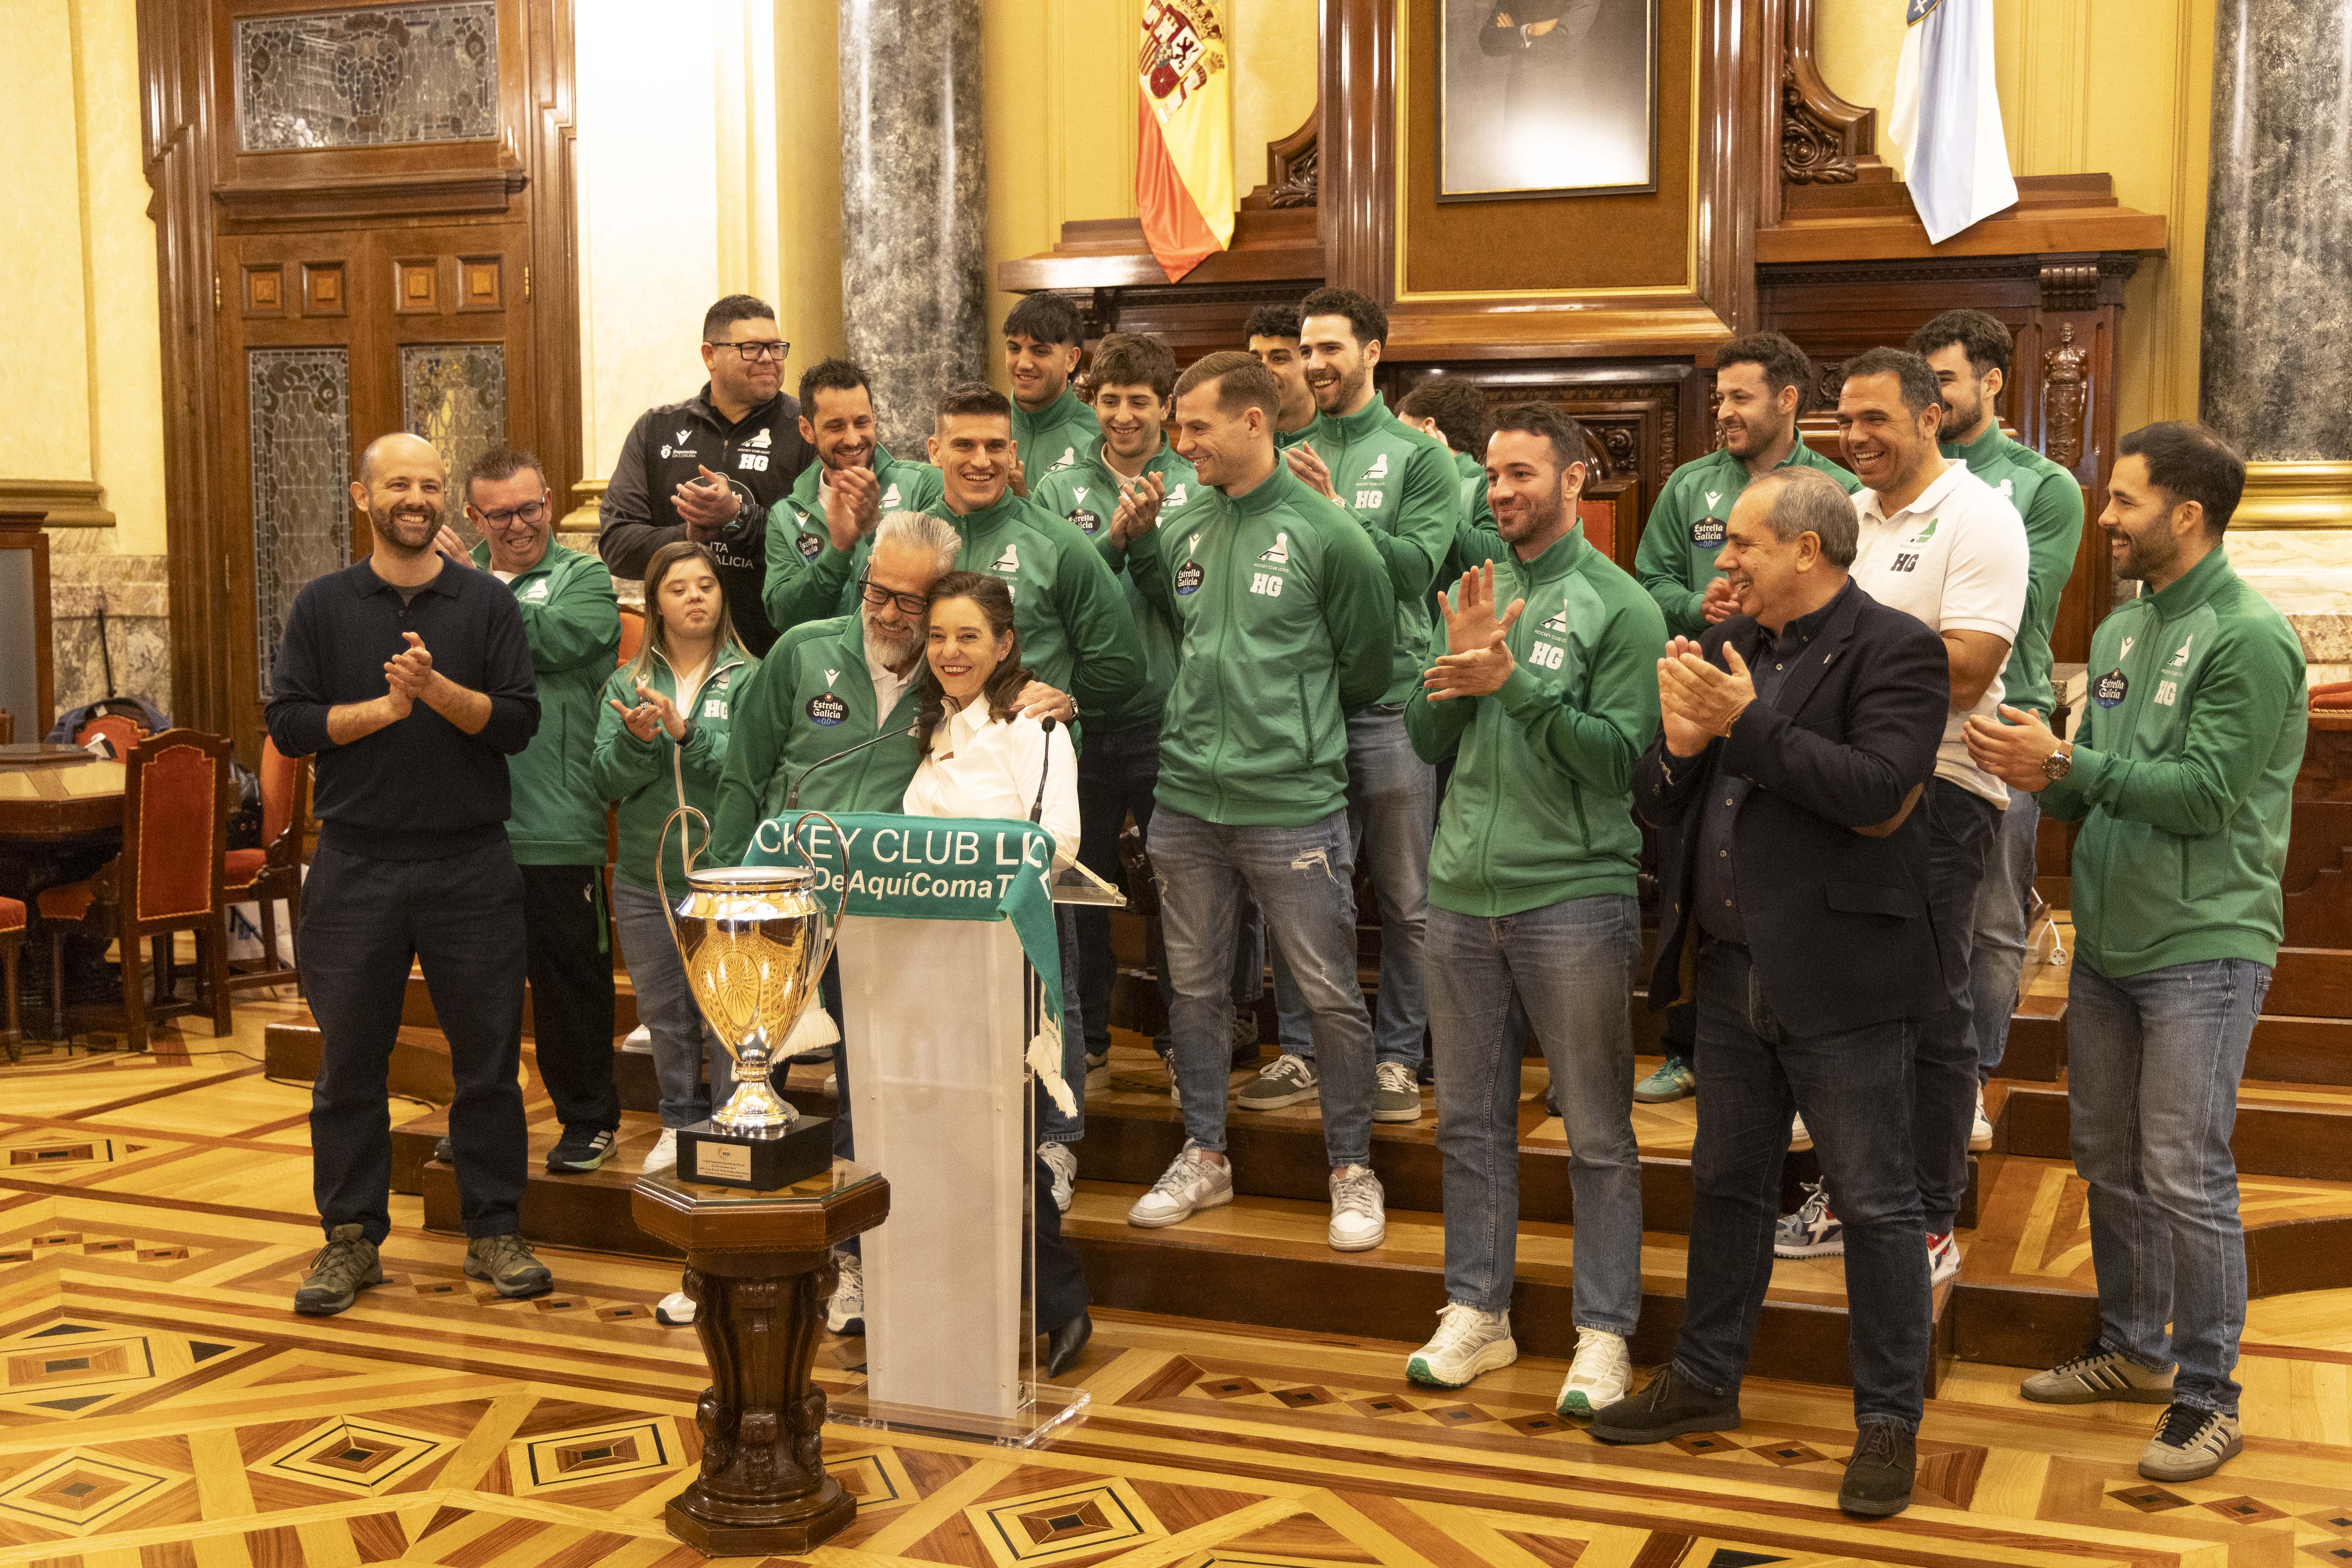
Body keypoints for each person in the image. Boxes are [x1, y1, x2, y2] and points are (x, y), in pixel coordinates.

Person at [1595, 466, 1949, 1518]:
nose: (1725, 559)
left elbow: (1876, 791)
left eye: (1744, 542)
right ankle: (1706, 1377)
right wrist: (1679, 746)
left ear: (1807, 548)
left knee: (1875, 1204)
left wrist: (1743, 725)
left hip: (1843, 979)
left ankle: (1888, 1420)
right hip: (1731, 970)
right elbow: (1660, 800)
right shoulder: (1728, 645)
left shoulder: (1897, 648)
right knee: (1725, 1184)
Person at [1967, 422, 2305, 1484]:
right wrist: (2030, 758)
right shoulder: (2118, 632)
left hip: (2204, 942)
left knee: (2184, 1168)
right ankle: (2133, 1347)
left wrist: (2067, 760)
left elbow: (2206, 796)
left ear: (2186, 514)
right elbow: (2088, 785)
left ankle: (2210, 1394)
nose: (2105, 517)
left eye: (2124, 499)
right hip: (2109, 942)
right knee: (2106, 1157)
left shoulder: (2250, 636)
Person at [1400, 404, 1663, 1417]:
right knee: (1469, 1122)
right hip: (1462, 891)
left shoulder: (1622, 606)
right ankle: (1480, 1308)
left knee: (1596, 1128)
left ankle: (1605, 1330)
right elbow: (1426, 740)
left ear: (1575, 479)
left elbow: (1619, 762)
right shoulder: (1478, 590)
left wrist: (1510, 686)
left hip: (1575, 895)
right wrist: (1456, 674)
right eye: (1491, 475)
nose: (1500, 491)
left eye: (1521, 474)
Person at [266, 432, 549, 1316]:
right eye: (398, 484)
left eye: (429, 484)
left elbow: (517, 723)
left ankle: (494, 1228)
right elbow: (290, 725)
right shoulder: (322, 605)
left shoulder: (486, 602)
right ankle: (350, 1237)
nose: (415, 498)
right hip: (356, 865)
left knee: (489, 1062)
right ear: (364, 496)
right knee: (348, 1063)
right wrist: (385, 709)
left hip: (472, 863)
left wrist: (436, 693)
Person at [1120, 351, 1395, 1251]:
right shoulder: (1184, 526)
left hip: (1292, 803)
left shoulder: (1331, 535)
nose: (1180, 442)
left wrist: (1288, 729)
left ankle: (1350, 1168)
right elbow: (1186, 630)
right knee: (1196, 993)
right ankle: (1204, 1151)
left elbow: (1366, 665)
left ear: (1253, 421)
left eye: (1196, 425)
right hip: (1186, 802)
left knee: (1327, 995)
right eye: (1178, 425)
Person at [710, 508, 962, 1337]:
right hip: (778, 909)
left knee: (867, 1093)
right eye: (876, 591)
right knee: (749, 1080)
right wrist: (723, 897)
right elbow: (743, 772)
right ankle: (721, 1251)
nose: (887, 613)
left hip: (882, 921)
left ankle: (851, 1263)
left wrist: (1046, 695)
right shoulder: (800, 650)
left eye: (910, 601)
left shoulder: (953, 678)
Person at [1828, 346, 2028, 1285]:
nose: (1855, 436)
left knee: (1928, 1007)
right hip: (1842, 783)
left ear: (1928, 417)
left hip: (1941, 788)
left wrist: (1836, 662)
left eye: (1874, 418)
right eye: (1845, 419)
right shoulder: (1847, 514)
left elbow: (1969, 669)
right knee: (1850, 1004)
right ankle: (1856, 1192)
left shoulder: (1980, 517)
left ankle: (1928, 1213)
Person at [1242, 287, 1454, 1127]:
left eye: (1330, 347)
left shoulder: (1418, 457)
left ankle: (1398, 1059)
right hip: (1303, 708)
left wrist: (1332, 510)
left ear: (1373, 352)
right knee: (1303, 892)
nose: (1314, 363)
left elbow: (1413, 571)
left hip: (1392, 705)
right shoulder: (1282, 450)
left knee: (1406, 899)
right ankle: (1302, 1050)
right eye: (1305, 349)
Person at [1632, 333, 1859, 1109]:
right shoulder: (1689, 484)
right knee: (1691, 869)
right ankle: (1685, 1044)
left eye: (1739, 396)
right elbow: (1648, 580)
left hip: (1799, 702)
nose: (1723, 410)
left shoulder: (1833, 487)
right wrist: (1696, 603)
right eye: (1718, 397)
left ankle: (1798, 1054)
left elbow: (1850, 588)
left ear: (1787, 399)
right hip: (1702, 695)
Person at [900, 570, 1092, 1375]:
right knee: (938, 1142)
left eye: (969, 636)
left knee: (1001, 1142)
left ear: (1006, 643)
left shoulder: (1033, 727)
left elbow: (1058, 842)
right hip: (926, 963)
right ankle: (946, 1306)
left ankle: (1059, 1303)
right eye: (939, 636)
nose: (950, 651)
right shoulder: (929, 725)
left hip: (1008, 954)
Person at [1910, 310, 2086, 1108]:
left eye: (1945, 379)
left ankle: (1970, 1081)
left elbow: (2016, 602)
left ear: (1990, 382)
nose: (1931, 395)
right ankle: (1908, 1070)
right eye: (1922, 380)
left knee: (1988, 917)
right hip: (1904, 717)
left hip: (2000, 721)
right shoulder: (1894, 478)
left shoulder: (2041, 486)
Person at [1031, 334, 1212, 1082]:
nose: (1124, 415)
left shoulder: (1198, 482)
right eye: (1109, 400)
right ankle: (1089, 1034)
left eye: (1140, 401)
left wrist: (1145, 546)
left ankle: (1180, 1039)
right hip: (1076, 724)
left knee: (1177, 891)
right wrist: (1111, 543)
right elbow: (1051, 595)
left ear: (1166, 406)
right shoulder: (1057, 490)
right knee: (1080, 887)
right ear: (1091, 402)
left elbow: (1194, 604)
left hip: (1168, 720)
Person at [455, 445, 622, 1175]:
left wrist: (469, 597)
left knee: (570, 990)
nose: (519, 525)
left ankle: (588, 1120)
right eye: (500, 515)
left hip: (559, 824)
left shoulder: (583, 578)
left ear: (550, 501)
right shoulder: (452, 579)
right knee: (475, 997)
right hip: (469, 828)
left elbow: (561, 640)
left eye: (530, 508)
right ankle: (482, 1123)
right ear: (474, 516)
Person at [594, 542, 753, 1178]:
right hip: (647, 879)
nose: (695, 597)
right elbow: (605, 780)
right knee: (667, 1017)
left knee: (731, 1017)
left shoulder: (752, 676)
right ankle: (679, 1123)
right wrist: (638, 743)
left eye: (706, 585)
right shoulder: (626, 683)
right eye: (678, 587)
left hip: (730, 879)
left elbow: (756, 770)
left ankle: (734, 1130)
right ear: (655, 604)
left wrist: (689, 734)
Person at [599, 293, 813, 656]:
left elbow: (820, 546)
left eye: (776, 348)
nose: (768, 358)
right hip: (677, 656)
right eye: (751, 348)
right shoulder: (656, 429)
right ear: (710, 355)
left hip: (777, 652)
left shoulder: (807, 429)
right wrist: (687, 535)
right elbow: (617, 545)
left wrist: (738, 518)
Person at [762, 357, 946, 633]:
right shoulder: (785, 516)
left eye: (861, 422)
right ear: (807, 430)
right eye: (835, 426)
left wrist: (874, 529)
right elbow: (785, 618)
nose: (852, 439)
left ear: (875, 418)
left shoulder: (924, 484)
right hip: (825, 661)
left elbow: (940, 588)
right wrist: (838, 553)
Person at [1004, 292, 1099, 485]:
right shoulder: (985, 431)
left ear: (1071, 359)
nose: (1023, 364)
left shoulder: (1100, 439)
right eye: (1014, 349)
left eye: (1040, 351)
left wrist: (1023, 498)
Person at [1243, 302, 1321, 451]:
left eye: (1278, 359)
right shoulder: (1231, 442)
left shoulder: (1341, 437)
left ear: (1308, 362)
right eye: (1255, 359)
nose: (1263, 370)